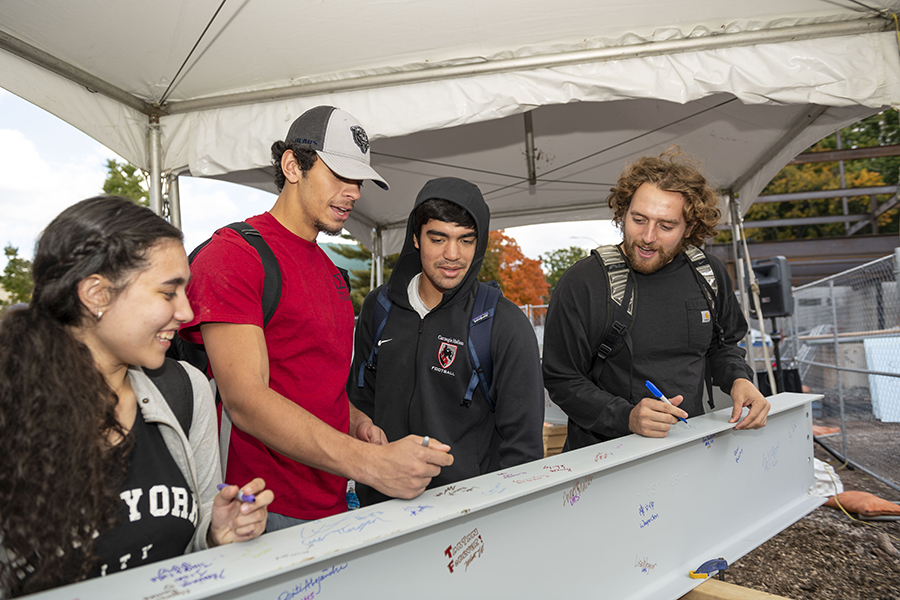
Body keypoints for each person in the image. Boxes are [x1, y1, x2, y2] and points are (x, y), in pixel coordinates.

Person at [180, 105, 454, 530]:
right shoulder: (235, 255)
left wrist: (355, 420)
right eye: (340, 175)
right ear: (293, 165)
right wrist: (371, 463)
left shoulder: (330, 271)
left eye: (358, 180)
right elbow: (246, 400)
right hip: (259, 511)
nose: (355, 192)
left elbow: (312, 381)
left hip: (333, 503)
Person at [0, 196, 272, 597]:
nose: (186, 312)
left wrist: (215, 537)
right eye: (168, 293)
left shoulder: (185, 390)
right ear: (97, 294)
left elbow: (183, 553)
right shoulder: (11, 406)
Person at [542, 150, 770, 450]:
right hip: (605, 459)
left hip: (689, 447)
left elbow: (723, 346)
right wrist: (627, 417)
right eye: (638, 219)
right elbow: (562, 378)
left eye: (666, 226)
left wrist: (739, 380)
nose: (648, 236)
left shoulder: (709, 274)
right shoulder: (583, 283)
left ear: (689, 227)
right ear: (623, 212)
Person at [348, 177, 544, 505]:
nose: (452, 255)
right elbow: (359, 400)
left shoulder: (502, 323)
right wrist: (362, 428)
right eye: (438, 239)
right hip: (380, 511)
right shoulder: (379, 307)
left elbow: (523, 451)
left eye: (465, 241)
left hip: (466, 519)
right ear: (415, 237)